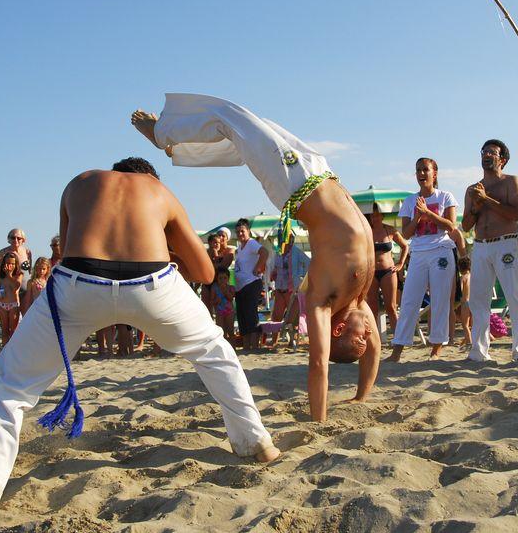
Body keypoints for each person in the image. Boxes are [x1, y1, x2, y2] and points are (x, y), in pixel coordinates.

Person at [0, 157, 278, 513]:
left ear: (115, 172)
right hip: (153, 286)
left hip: (79, 283)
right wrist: (165, 245)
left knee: (11, 383)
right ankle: (258, 443)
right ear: (148, 178)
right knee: (214, 351)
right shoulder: (159, 190)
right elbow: (204, 272)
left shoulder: (80, 182)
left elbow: (70, 249)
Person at [131, 95, 380, 422]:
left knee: (235, 119)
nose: (370, 335)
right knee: (253, 131)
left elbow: (318, 363)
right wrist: (362, 397)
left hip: (294, 182)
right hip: (322, 171)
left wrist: (318, 421)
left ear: (339, 330)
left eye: (360, 338)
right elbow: (373, 352)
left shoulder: (323, 300)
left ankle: (162, 133)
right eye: (365, 337)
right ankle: (176, 148)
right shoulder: (357, 300)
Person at [462, 140, 518, 362]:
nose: (487, 155)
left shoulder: (511, 182)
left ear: (502, 159)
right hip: (481, 245)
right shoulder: (472, 189)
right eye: (484, 152)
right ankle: (479, 351)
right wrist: (476, 206)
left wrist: (487, 200)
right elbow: (465, 225)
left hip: (506, 243)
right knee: (478, 300)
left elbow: (514, 214)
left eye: (492, 152)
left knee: (514, 295)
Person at [387, 159, 460, 361]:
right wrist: (418, 217)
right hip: (418, 253)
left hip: (441, 251)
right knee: (410, 300)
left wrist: (428, 213)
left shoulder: (445, 196)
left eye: (425, 169)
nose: (421, 173)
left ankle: (436, 347)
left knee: (440, 299)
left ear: (434, 173)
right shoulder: (410, 201)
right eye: (418, 170)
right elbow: (407, 233)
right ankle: (398, 349)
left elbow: (451, 226)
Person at [367, 203, 409, 340]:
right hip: (371, 272)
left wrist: (401, 263)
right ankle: (372, 339)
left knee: (391, 307)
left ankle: (398, 339)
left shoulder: (390, 230)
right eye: (372, 216)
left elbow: (405, 246)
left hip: (388, 271)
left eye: (377, 215)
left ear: (382, 215)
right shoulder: (366, 231)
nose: (375, 218)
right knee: (371, 308)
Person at [232, 218, 269, 351]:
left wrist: (258, 268)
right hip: (241, 286)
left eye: (242, 231)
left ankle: (254, 346)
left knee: (250, 315)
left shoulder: (252, 243)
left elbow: (265, 252)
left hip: (251, 283)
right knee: (242, 317)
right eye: (238, 232)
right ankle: (247, 346)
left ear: (248, 231)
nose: (240, 234)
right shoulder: (240, 248)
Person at [0, 252, 22, 346]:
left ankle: (13, 351)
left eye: (12, 264)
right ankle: (4, 352)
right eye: (7, 263)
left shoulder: (18, 275)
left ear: (16, 265)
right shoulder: (0, 278)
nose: (9, 266)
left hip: (13, 304)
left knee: (14, 331)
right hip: (2, 305)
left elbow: (16, 287)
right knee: (4, 331)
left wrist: (9, 275)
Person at [0, 229, 33, 295]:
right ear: (8, 239)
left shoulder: (27, 252)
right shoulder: (3, 252)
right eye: (13, 238)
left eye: (19, 238)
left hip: (26, 291)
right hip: (9, 291)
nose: (16, 240)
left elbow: (30, 272)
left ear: (23, 240)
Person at [211, 267, 237, 338]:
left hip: (229, 312)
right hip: (219, 312)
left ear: (228, 279)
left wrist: (225, 291)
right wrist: (216, 300)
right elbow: (212, 301)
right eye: (220, 278)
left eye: (224, 278)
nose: (222, 280)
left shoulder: (231, 288)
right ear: (217, 279)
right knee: (221, 332)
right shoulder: (214, 288)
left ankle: (233, 347)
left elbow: (231, 298)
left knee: (230, 331)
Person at [456, 256, 473, 345]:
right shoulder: (473, 276)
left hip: (465, 302)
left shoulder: (463, 277)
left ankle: (469, 342)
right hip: (473, 302)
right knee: (473, 325)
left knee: (465, 325)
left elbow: (460, 290)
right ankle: (466, 340)